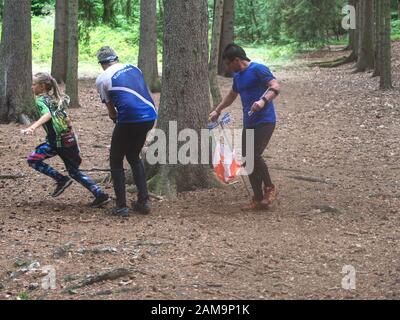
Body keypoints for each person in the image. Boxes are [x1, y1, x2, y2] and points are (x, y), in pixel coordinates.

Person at [209, 44, 281, 211]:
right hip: (249, 122)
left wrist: (263, 101)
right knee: (247, 159)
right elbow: (232, 95)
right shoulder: (238, 77)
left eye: (228, 64)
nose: (227, 68)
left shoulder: (258, 69)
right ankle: (257, 199)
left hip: (265, 120)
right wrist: (218, 110)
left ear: (237, 60)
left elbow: (275, 86)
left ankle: (270, 188)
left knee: (254, 155)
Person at [22, 72, 111, 207]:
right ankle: (99, 194)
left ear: (42, 87)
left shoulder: (41, 100)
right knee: (74, 172)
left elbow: (47, 115)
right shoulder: (54, 99)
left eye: (34, 84)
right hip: (67, 140)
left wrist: (32, 127)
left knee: (33, 160)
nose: (31, 87)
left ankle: (62, 180)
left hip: (58, 142)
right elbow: (67, 120)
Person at [95, 46, 157, 217]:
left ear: (101, 63)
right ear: (116, 58)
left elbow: (111, 111)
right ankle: (143, 201)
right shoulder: (134, 68)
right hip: (150, 115)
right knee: (133, 157)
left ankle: (121, 206)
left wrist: (115, 118)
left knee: (116, 160)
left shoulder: (102, 79)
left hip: (129, 118)